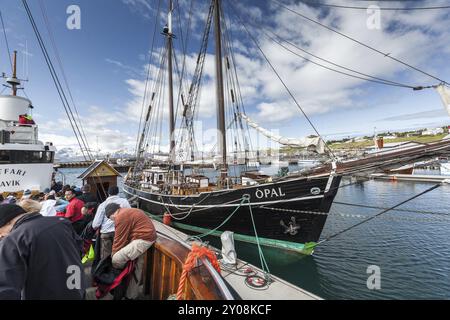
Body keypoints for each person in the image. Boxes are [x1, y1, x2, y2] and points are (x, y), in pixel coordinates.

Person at [0, 204, 85, 299]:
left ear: (7, 222)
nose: (1, 236)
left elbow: (5, 288)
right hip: (76, 289)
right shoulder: (61, 222)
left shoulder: (13, 240)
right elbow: (79, 250)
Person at [105, 204, 156, 299]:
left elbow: (118, 240)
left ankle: (119, 279)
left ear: (112, 214)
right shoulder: (127, 211)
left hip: (143, 239)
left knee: (116, 259)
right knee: (137, 268)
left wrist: (113, 255)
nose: (111, 220)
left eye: (110, 218)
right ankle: (131, 295)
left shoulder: (120, 216)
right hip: (145, 237)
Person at [92, 186, 130, 260]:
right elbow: (129, 215)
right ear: (117, 192)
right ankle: (118, 270)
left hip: (106, 234)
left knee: (106, 257)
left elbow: (95, 225)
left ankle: (106, 270)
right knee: (119, 255)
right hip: (120, 232)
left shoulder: (102, 205)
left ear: (108, 193)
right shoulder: (124, 202)